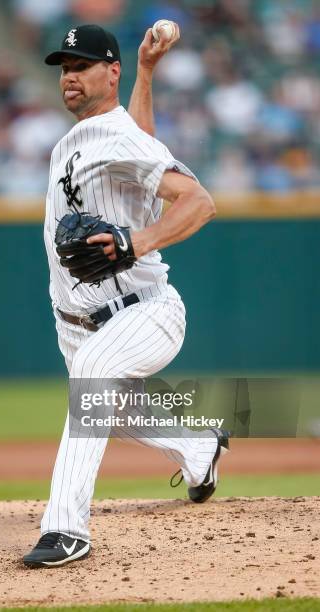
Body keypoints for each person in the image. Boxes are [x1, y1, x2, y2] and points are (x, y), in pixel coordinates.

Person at [23, 24, 229, 568]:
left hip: (145, 312)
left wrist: (133, 241)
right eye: (64, 67)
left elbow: (198, 202)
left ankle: (67, 528)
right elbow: (142, 145)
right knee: (113, 411)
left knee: (93, 375)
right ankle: (200, 448)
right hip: (77, 319)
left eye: (81, 65)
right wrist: (149, 75)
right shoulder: (96, 134)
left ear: (110, 72)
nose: (69, 76)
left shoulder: (110, 135)